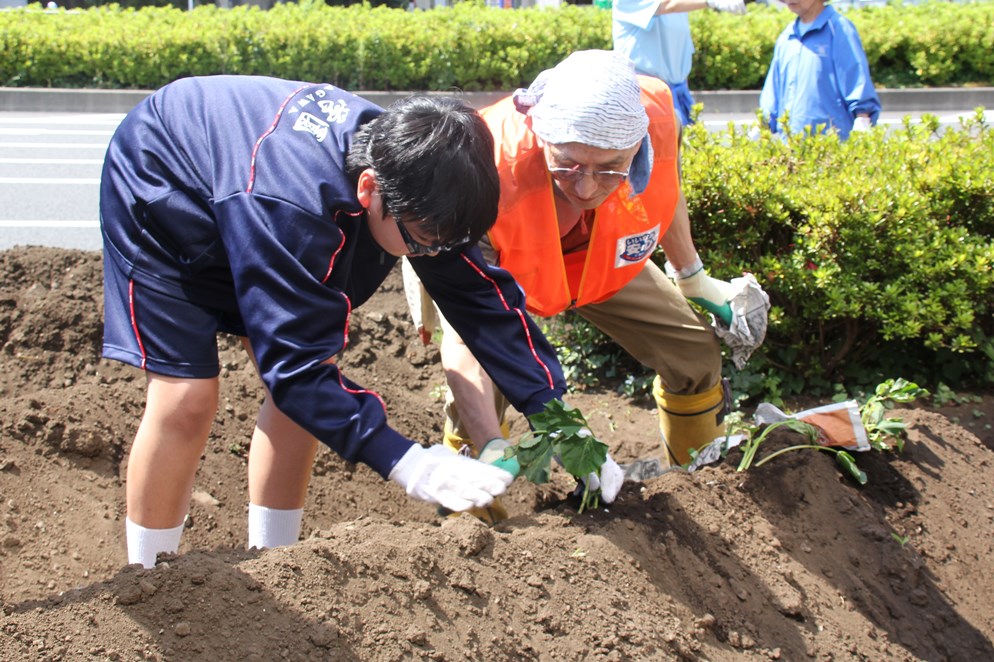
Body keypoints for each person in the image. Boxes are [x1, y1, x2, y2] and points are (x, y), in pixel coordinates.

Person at [100, 75, 621, 568]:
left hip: (249, 187)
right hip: (166, 182)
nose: (434, 252)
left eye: (449, 239)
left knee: (304, 393)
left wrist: (560, 419)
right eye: (423, 239)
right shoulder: (294, 208)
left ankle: (275, 562)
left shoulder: (427, 179)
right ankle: (150, 576)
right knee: (187, 397)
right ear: (369, 190)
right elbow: (295, 369)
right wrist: (407, 462)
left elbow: (485, 302)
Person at [405, 50, 767, 522]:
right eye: (568, 163)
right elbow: (470, 329)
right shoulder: (479, 170)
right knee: (480, 408)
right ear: (541, 132)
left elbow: (665, 188)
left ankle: (701, 487)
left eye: (612, 166)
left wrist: (693, 278)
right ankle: (471, 527)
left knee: (693, 352)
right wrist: (499, 436)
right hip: (499, 266)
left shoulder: (655, 112)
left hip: (599, 257)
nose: (586, 186)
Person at [613, 0, 747, 128]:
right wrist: (710, 1)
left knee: (684, 149)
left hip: (677, 93)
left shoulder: (681, 8)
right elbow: (667, 5)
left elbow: (678, 55)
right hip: (645, 96)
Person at [759, 0, 880, 140]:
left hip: (831, 141)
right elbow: (774, 88)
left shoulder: (838, 28)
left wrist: (862, 118)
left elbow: (855, 76)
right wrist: (763, 123)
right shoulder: (787, 36)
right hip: (791, 143)